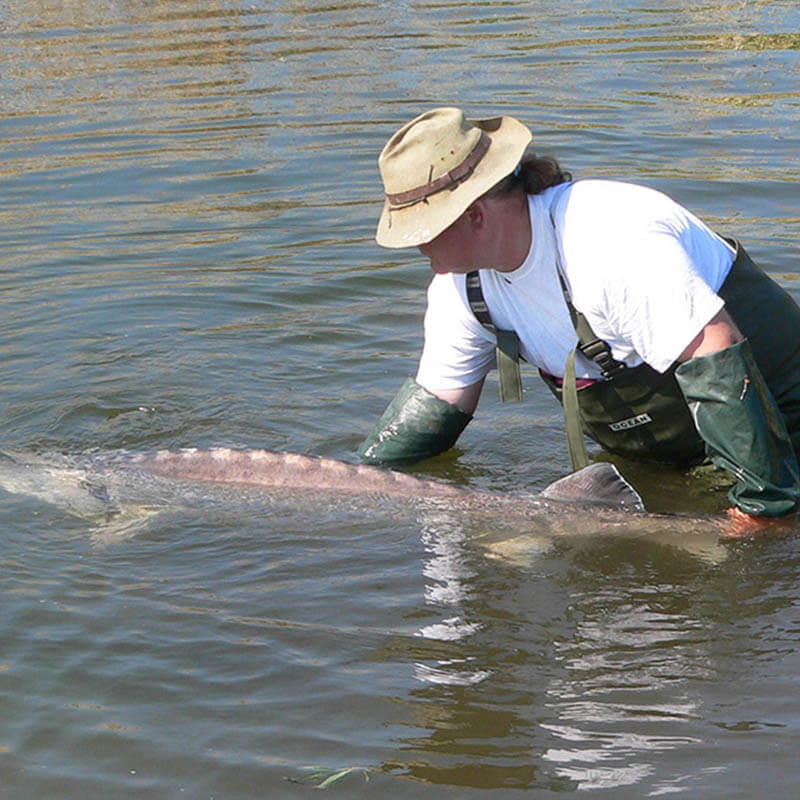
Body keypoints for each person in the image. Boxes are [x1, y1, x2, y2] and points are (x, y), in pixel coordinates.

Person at [357, 107, 800, 518]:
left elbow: (715, 349)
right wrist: (351, 483)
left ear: (474, 216)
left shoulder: (607, 237)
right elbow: (437, 408)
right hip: (675, 458)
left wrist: (764, 509)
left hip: (784, 434)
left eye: (421, 230)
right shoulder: (461, 290)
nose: (413, 245)